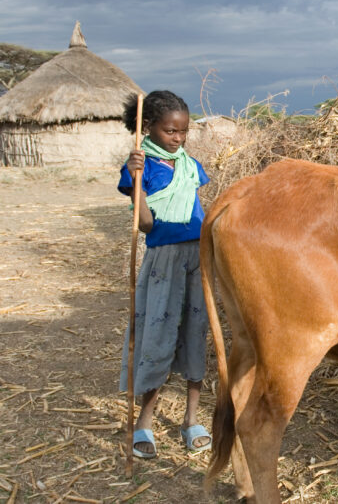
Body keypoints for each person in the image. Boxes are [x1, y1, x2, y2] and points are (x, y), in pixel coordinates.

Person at [118, 90, 211, 458]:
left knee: (195, 332)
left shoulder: (189, 165)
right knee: (157, 334)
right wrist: (136, 180)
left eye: (183, 131)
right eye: (171, 131)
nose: (178, 138)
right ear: (149, 127)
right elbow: (144, 224)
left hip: (199, 257)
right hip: (164, 260)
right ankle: (144, 422)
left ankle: (191, 418)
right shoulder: (141, 168)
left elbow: (198, 211)